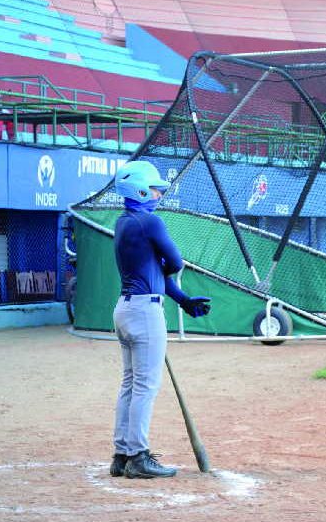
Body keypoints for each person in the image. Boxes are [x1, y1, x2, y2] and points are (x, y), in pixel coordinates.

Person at [111, 161, 212, 479]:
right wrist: (167, 267)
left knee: (130, 384)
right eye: (153, 187)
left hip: (125, 309)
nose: (157, 193)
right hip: (145, 312)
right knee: (145, 386)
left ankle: (122, 455)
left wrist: (182, 301)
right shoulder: (150, 222)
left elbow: (155, 270)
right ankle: (138, 456)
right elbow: (177, 262)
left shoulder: (123, 223)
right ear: (138, 189)